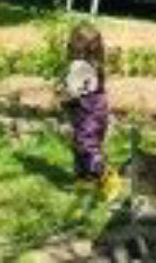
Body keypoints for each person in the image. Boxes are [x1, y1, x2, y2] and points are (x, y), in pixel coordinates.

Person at [62, 22, 118, 199]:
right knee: (81, 146)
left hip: (89, 115)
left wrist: (63, 96)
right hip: (93, 112)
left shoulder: (81, 68)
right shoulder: (94, 65)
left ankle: (106, 175)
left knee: (87, 146)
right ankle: (85, 179)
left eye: (72, 44)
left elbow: (73, 93)